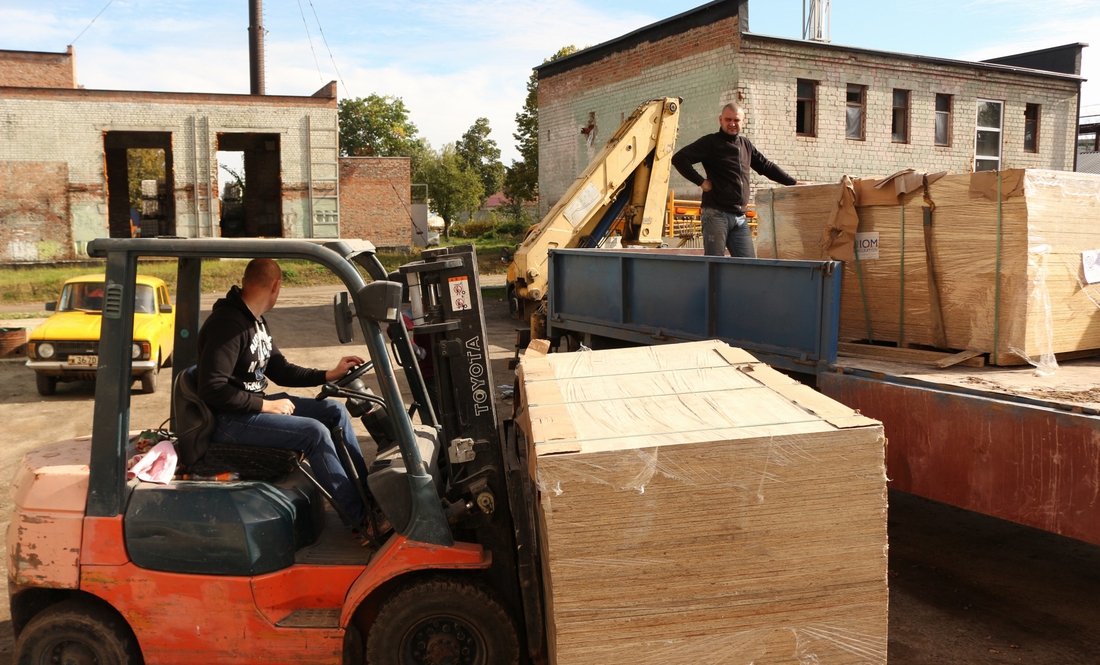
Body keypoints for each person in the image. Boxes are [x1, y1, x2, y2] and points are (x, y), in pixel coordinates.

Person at [197, 258, 369, 527]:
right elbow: (212, 388)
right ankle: (360, 521)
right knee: (314, 432)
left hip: (248, 409)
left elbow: (280, 369)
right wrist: (264, 406)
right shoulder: (228, 324)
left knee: (334, 411)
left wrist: (328, 374)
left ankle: (369, 500)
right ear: (276, 286)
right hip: (228, 420)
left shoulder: (255, 321)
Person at [672, 103, 799, 258]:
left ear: (743, 121)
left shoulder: (745, 145)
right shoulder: (711, 142)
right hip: (716, 214)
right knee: (714, 265)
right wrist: (701, 181)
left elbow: (766, 166)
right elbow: (679, 158)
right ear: (720, 120)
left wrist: (793, 183)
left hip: (740, 217)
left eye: (736, 120)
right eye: (728, 119)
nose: (732, 124)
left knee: (748, 264)